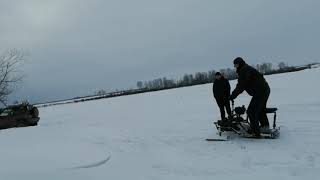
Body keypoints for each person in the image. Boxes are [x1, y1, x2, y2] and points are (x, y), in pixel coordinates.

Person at [229, 57, 270, 137]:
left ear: (240, 63)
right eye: (234, 65)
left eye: (236, 65)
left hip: (260, 91)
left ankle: (256, 132)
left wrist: (232, 96)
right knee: (260, 110)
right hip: (264, 90)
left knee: (251, 111)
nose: (235, 66)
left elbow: (241, 85)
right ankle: (265, 128)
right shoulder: (245, 68)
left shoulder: (244, 70)